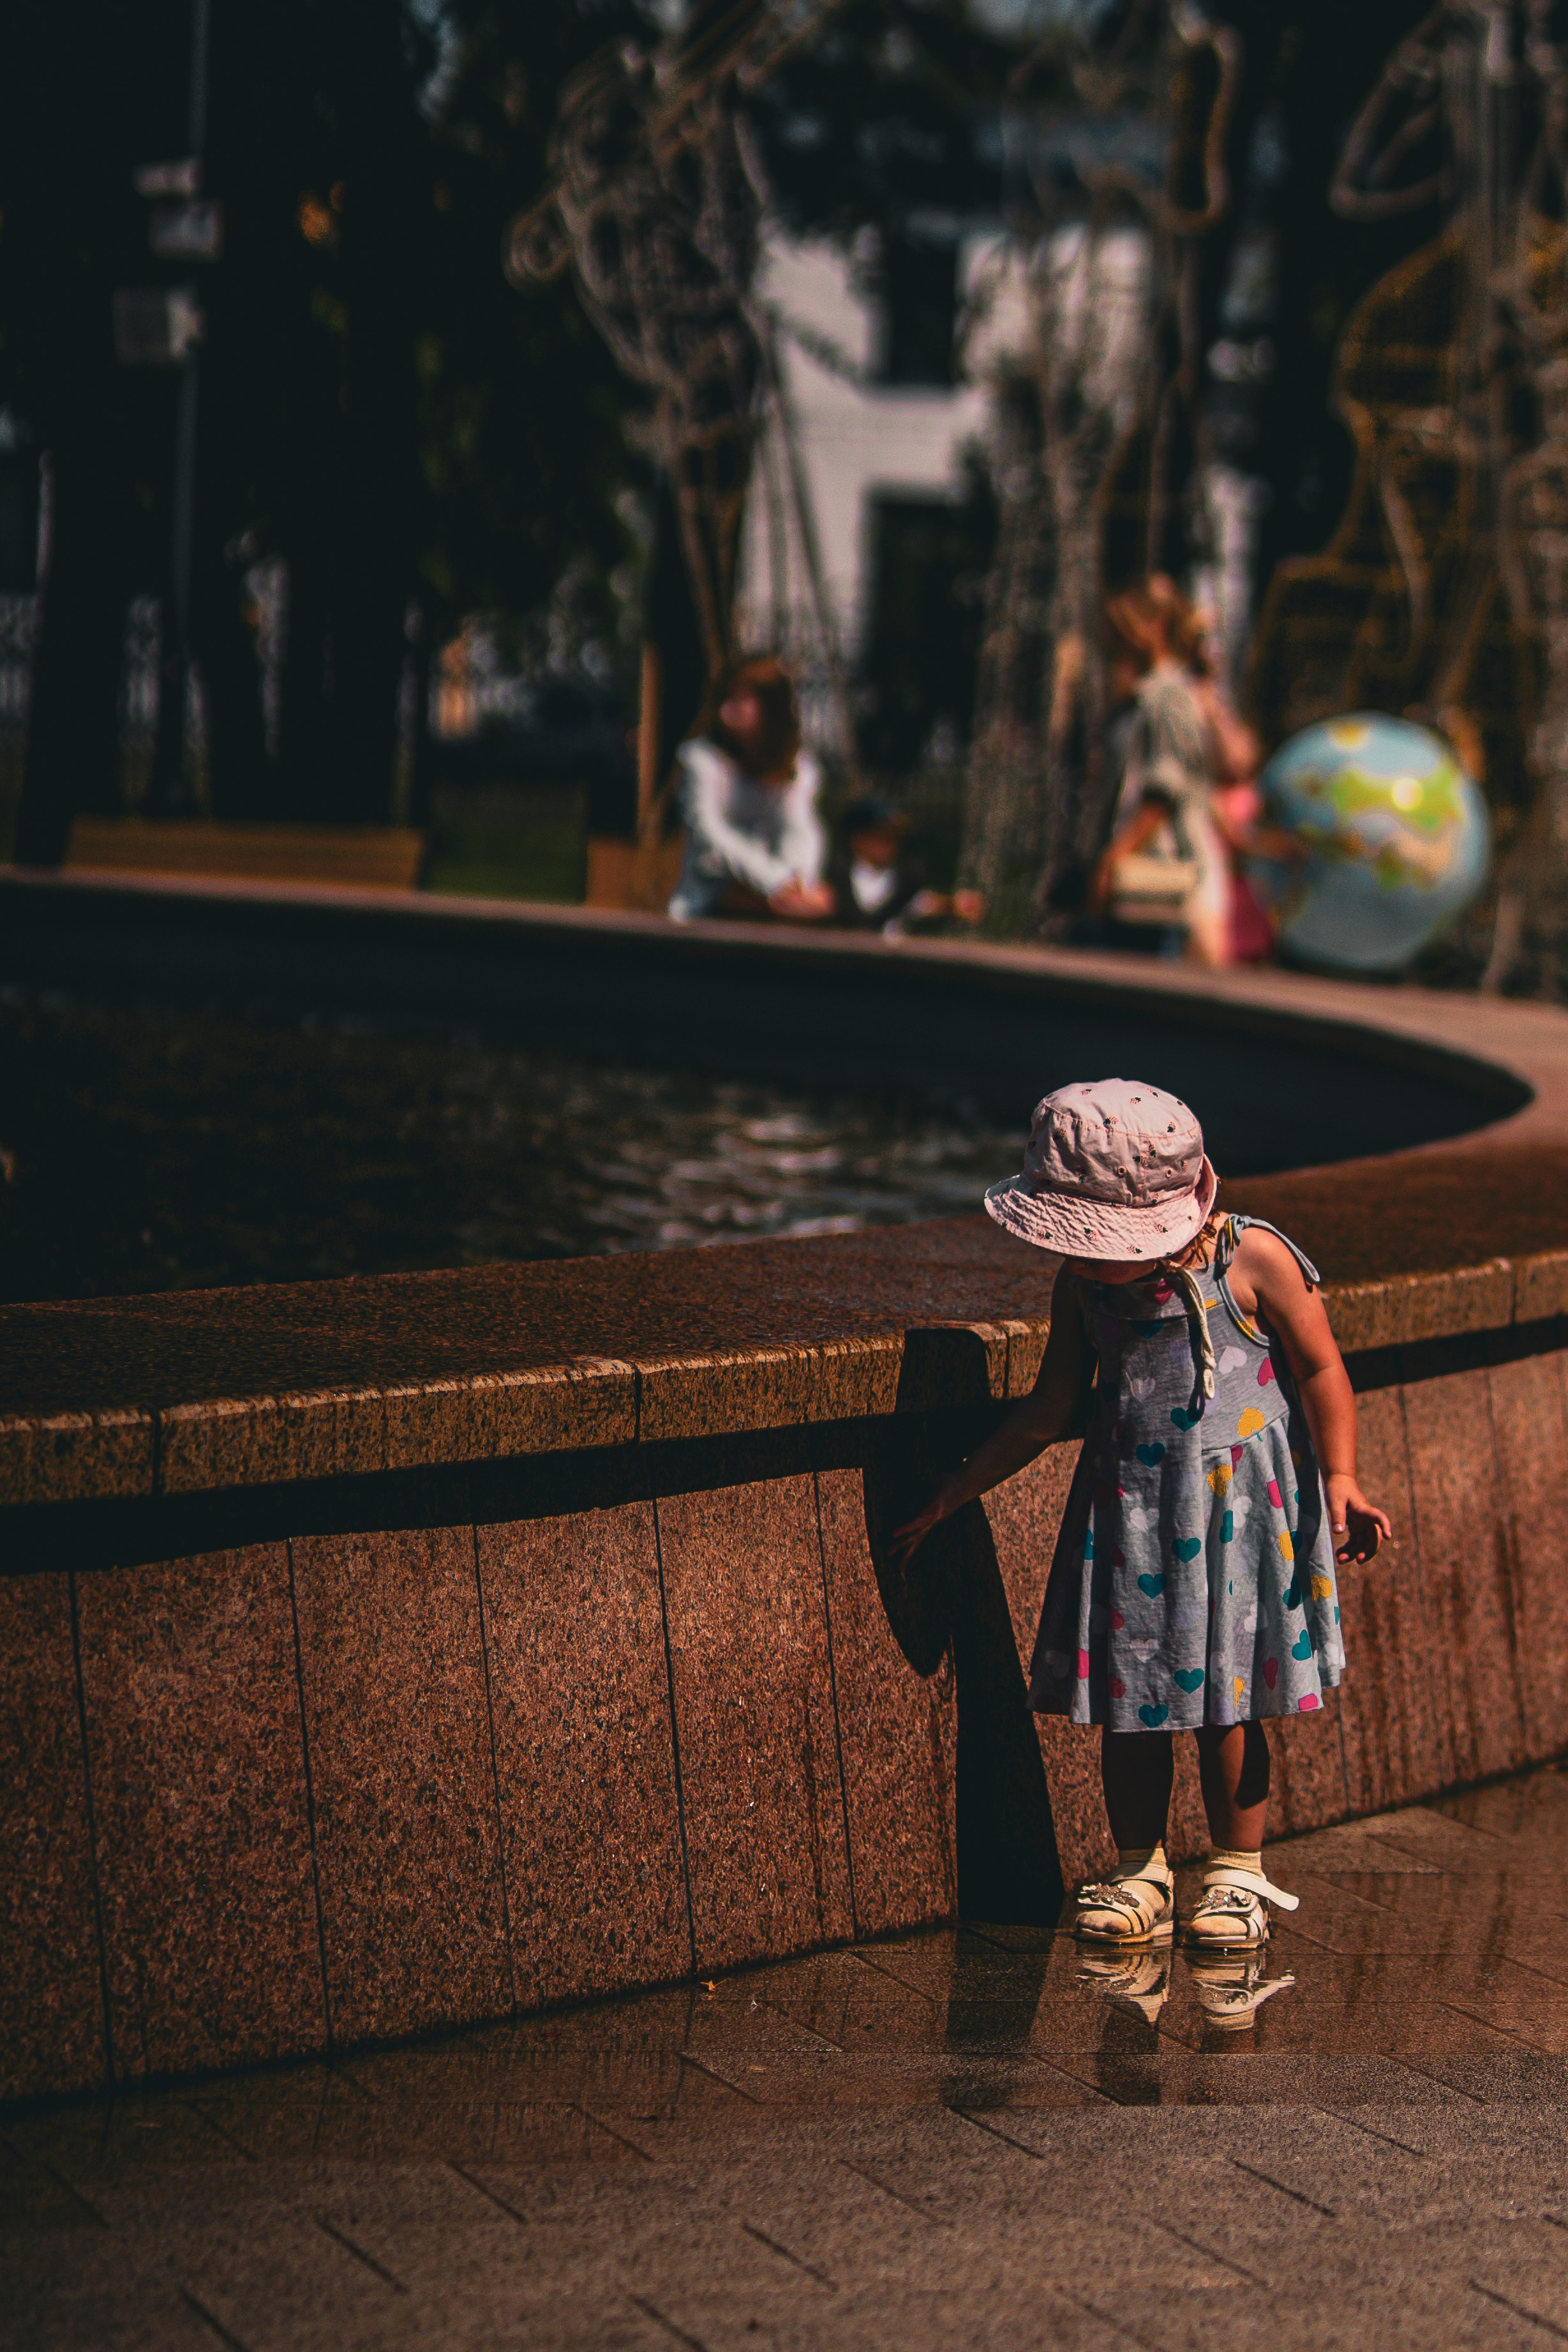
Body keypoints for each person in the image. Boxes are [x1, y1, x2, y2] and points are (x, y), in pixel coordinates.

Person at [889, 1077, 1390, 1966]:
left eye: (1092, 1244)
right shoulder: (1085, 1292)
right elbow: (1050, 1407)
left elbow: (1319, 1367)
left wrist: (1341, 1477)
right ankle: (1139, 1869)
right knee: (1134, 1704)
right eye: (1071, 1244)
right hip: (1129, 1516)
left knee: (1228, 1706)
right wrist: (957, 1489)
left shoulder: (1253, 1258)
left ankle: (1237, 1870)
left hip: (1236, 1516)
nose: (1079, 1259)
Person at [1091, 580, 1234, 967]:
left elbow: (1163, 790)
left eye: (1124, 627)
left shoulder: (1169, 698)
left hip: (1155, 872)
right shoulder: (1136, 698)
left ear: (1153, 629)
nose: (1113, 638)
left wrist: (1115, 856)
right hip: (1134, 871)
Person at [666, 655, 833, 924]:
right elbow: (709, 834)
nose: (727, 711)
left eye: (742, 700)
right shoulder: (700, 760)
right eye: (725, 699)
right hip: (708, 906)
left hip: (776, 909)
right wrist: (774, 881)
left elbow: (801, 830)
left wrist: (798, 881)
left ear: (772, 706)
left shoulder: (800, 768)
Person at [826, 795, 985, 936]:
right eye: (882, 835)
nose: (891, 843)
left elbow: (919, 902)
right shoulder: (841, 873)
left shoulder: (896, 875)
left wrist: (953, 904)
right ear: (858, 838)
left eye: (895, 836)